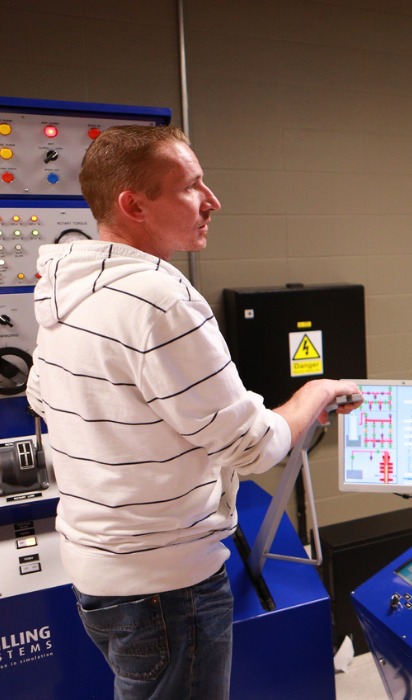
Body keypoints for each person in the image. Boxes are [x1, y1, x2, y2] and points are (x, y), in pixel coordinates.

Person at [24, 124, 362, 699]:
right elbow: (253, 448)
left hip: (100, 572)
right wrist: (317, 393)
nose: (213, 201)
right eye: (191, 186)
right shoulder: (159, 297)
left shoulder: (67, 288)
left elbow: (49, 398)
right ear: (135, 205)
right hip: (164, 588)